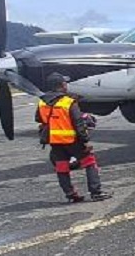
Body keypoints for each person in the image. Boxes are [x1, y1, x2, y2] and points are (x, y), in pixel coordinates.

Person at [35, 72, 111, 203]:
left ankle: (71, 194)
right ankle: (96, 192)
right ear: (63, 85)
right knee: (90, 162)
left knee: (61, 167)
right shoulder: (68, 102)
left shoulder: (42, 102)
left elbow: (39, 118)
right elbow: (78, 123)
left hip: (55, 141)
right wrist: (85, 141)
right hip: (72, 140)